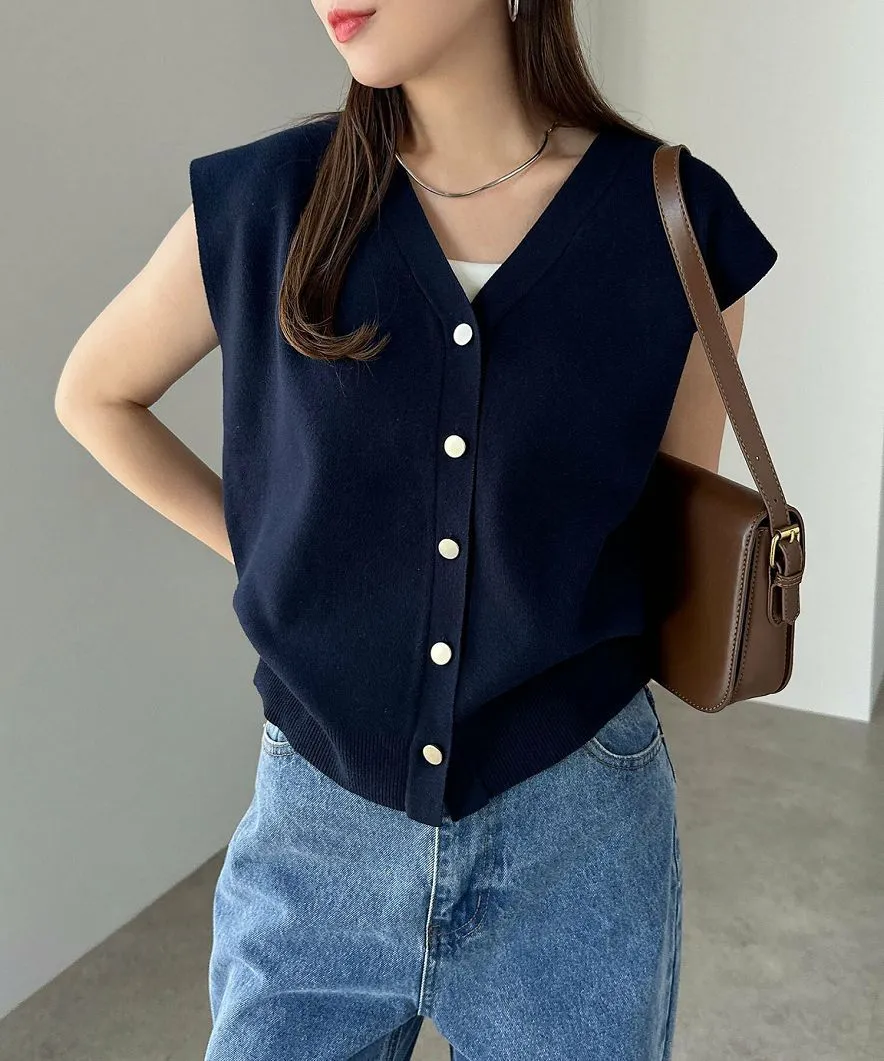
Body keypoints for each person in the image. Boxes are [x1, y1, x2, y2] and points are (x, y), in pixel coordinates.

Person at [53, 1, 779, 1058]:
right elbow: (95, 394)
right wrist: (269, 556)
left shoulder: (675, 222)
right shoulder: (269, 201)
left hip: (576, 834)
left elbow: (665, 528)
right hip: (316, 829)